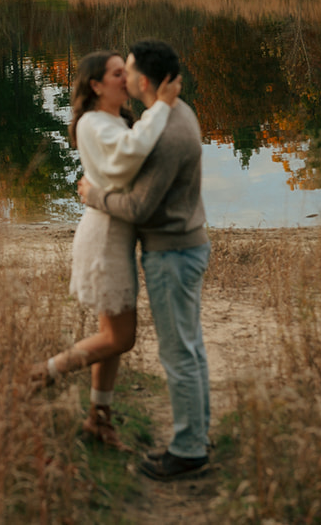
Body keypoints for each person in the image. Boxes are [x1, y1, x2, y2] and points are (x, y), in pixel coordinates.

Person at [30, 50, 182, 450]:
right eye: (117, 74)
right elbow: (130, 155)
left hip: (117, 236)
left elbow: (135, 153)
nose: (125, 79)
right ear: (96, 85)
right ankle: (45, 372)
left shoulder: (116, 120)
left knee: (110, 335)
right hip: (104, 240)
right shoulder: (93, 124)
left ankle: (99, 420)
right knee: (121, 338)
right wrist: (162, 108)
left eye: (126, 72)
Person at [77, 39, 211, 481]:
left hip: (172, 252)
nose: (125, 77)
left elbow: (138, 208)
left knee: (178, 354)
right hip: (183, 245)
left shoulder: (166, 132)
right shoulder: (179, 114)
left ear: (144, 81)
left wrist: (94, 195)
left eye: (128, 70)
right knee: (190, 349)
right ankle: (197, 437)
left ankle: (189, 451)